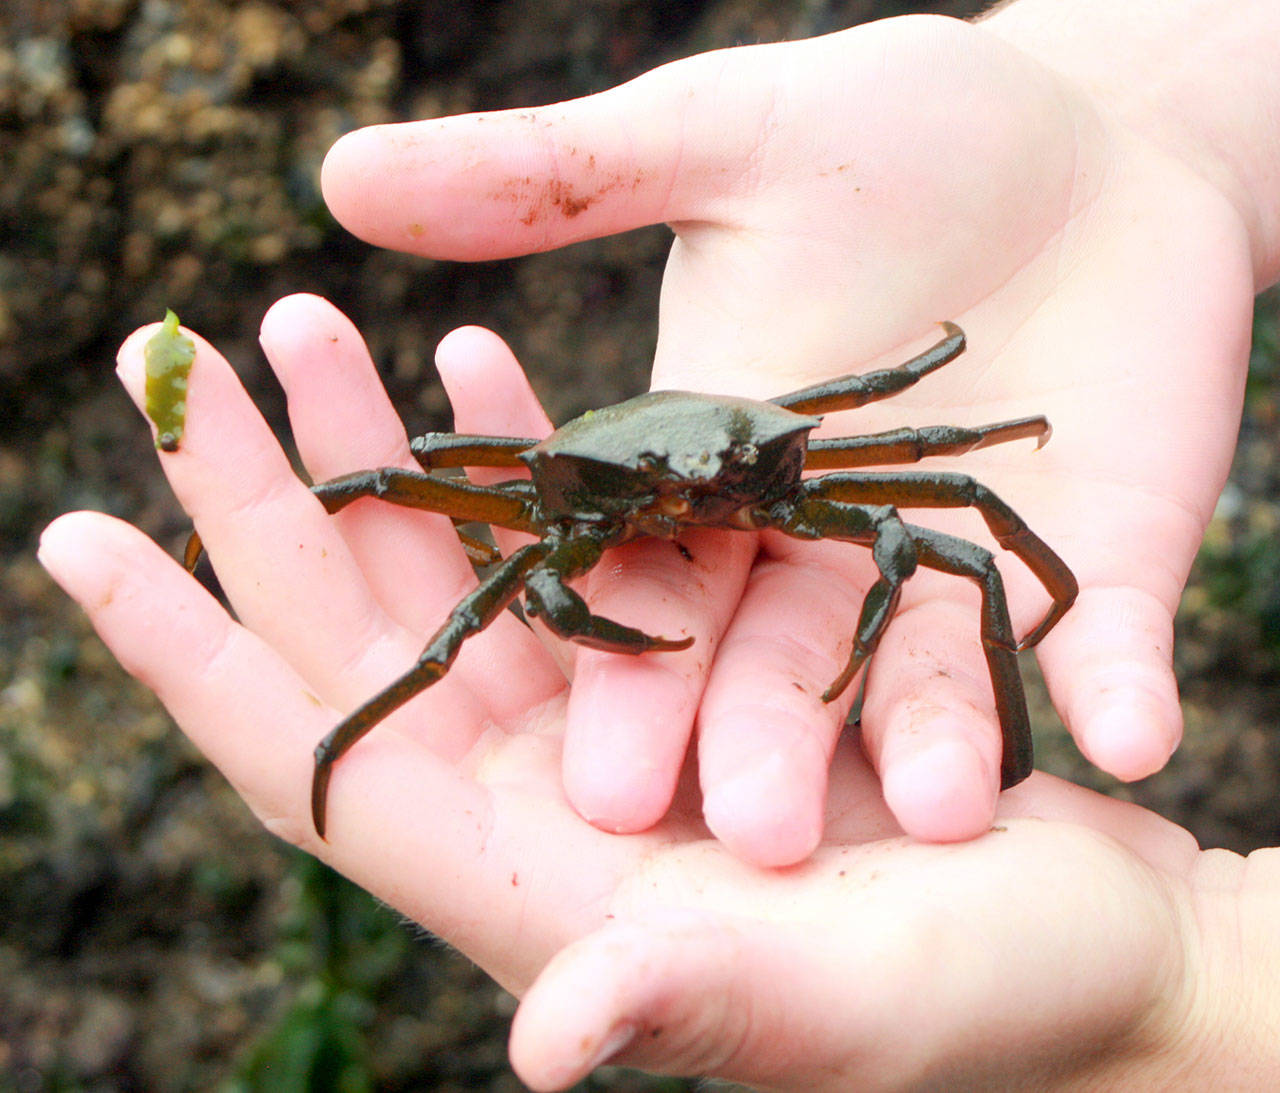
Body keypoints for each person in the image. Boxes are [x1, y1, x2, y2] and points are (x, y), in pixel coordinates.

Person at [39, 2, 1280, 1088]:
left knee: (942, 544)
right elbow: (397, 477)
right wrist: (1141, 114)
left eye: (715, 483)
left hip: (738, 461)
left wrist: (1201, 983)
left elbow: (929, 424)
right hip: (587, 485)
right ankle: (326, 703)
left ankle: (995, 750)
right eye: (671, 493)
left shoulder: (771, 457)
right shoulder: (553, 497)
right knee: (440, 569)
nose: (693, 503)